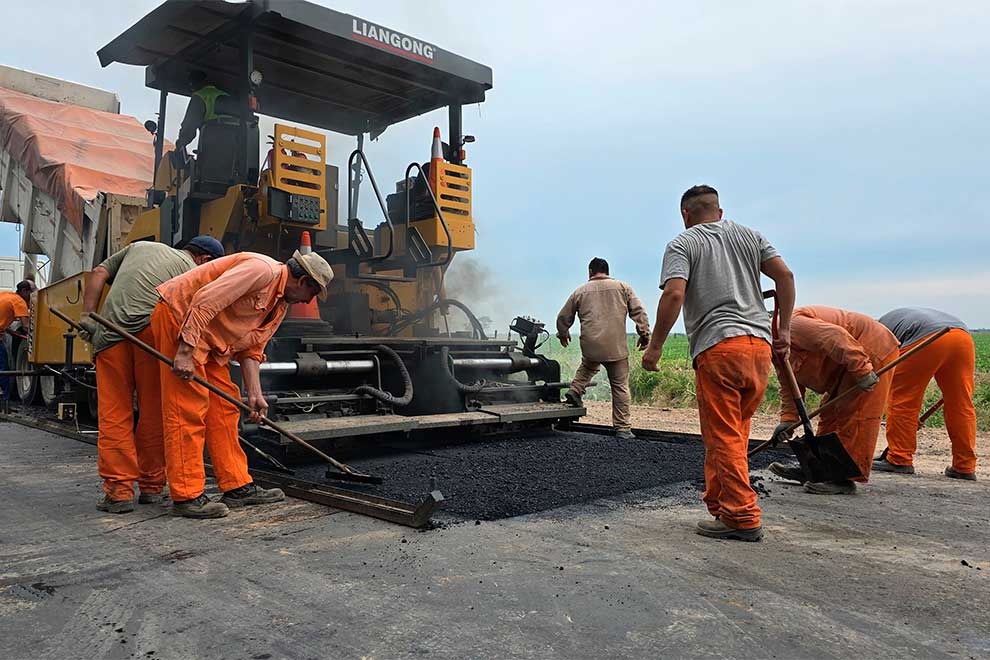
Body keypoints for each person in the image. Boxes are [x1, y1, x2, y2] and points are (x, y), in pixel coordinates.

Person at [642, 185, 795, 542]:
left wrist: (655, 347)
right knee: (732, 433)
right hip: (758, 348)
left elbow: (675, 292)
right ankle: (720, 503)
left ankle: (741, 517)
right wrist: (783, 331)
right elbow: (785, 277)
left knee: (723, 435)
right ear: (720, 211)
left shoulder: (684, 243)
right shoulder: (750, 236)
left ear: (685, 214)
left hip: (719, 347)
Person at [152, 249, 334, 519]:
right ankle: (187, 495)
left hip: (211, 339)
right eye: (314, 292)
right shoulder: (261, 270)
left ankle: (237, 486)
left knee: (225, 406)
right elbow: (205, 300)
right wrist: (185, 352)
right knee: (187, 409)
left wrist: (255, 395)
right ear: (303, 281)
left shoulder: (279, 304)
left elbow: (252, 349)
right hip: (180, 321)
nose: (311, 299)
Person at [78, 237, 225, 514]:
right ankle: (152, 487)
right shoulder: (195, 271)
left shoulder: (140, 247)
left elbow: (98, 273)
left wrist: (87, 314)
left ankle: (119, 494)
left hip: (109, 336)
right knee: (153, 413)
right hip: (152, 338)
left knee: (114, 414)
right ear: (205, 260)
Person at [769, 306, 899, 493]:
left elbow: (834, 336)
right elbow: (789, 384)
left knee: (853, 413)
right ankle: (819, 469)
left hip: (869, 349)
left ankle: (842, 478)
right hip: (844, 362)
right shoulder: (774, 350)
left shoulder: (788, 326)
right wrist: (788, 420)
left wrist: (862, 370)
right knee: (829, 413)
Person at [874, 307, 977, 480]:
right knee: (960, 403)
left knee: (903, 399)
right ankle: (964, 466)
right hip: (962, 338)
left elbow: (880, 369)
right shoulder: (893, 321)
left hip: (928, 338)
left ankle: (899, 458)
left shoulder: (875, 332)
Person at [556, 257, 651, 439]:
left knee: (588, 366)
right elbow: (638, 311)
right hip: (616, 347)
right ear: (607, 271)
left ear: (590, 272)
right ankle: (622, 428)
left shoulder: (580, 291)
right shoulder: (623, 287)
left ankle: (575, 390)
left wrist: (563, 332)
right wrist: (644, 334)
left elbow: (563, 316)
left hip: (591, 344)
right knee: (620, 386)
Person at [175, 70, 234, 154]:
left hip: (212, 150)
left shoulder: (199, 96)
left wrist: (180, 144)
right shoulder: (226, 96)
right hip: (235, 150)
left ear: (192, 84)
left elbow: (189, 127)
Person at [0, 280, 36, 400]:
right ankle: (5, 400)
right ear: (24, 291)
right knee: (3, 367)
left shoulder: (6, 294)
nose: (33, 296)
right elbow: (26, 327)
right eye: (32, 292)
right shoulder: (20, 302)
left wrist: (10, 332)